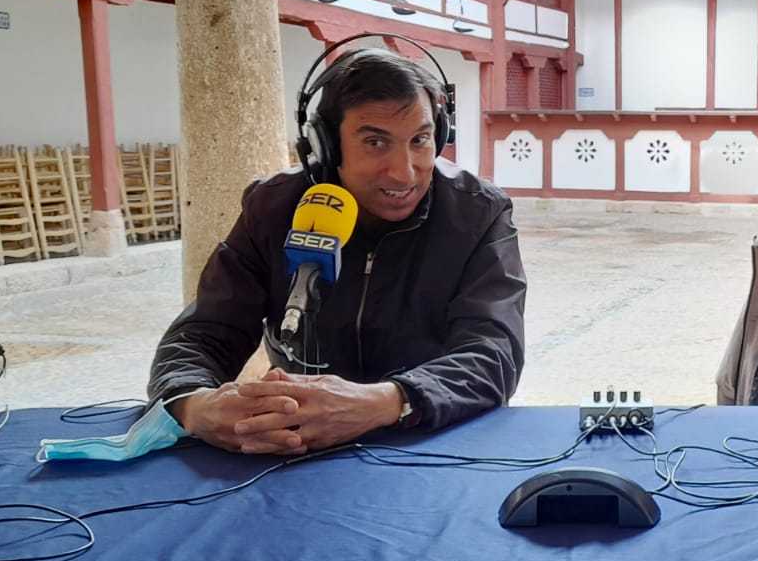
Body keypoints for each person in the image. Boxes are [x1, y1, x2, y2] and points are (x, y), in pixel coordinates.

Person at [148, 45, 526, 455]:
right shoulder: (272, 208)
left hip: (430, 436)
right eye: (375, 143)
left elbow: (493, 354)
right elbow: (201, 336)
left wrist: (387, 401)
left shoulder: (478, 213)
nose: (405, 171)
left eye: (420, 140)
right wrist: (192, 403)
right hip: (299, 446)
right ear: (324, 146)